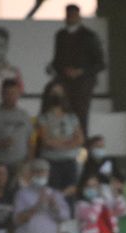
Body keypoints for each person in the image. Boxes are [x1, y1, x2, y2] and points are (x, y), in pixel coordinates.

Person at [52, 4, 106, 136]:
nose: (70, 18)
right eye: (68, 15)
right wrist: (64, 70)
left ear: (79, 17)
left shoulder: (89, 36)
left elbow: (100, 63)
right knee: (62, 113)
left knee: (80, 115)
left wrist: (80, 71)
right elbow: (57, 60)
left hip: (83, 84)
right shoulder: (61, 36)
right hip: (65, 82)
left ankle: (81, 148)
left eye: (73, 15)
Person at [37, 83, 84, 192]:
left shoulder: (72, 117)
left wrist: (58, 144)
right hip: (51, 162)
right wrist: (68, 143)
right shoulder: (43, 118)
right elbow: (46, 141)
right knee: (53, 193)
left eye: (59, 92)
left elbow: (80, 139)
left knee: (70, 192)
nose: (57, 95)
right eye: (54, 92)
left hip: (70, 161)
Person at [0, 28, 26, 115]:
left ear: (6, 47)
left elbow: (21, 93)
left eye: (0, 46)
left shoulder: (14, 73)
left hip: (8, 115)